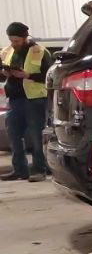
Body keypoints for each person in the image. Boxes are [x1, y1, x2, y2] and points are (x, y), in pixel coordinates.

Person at [1, 22, 51, 182]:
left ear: (25, 38)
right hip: (14, 100)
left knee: (37, 136)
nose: (14, 44)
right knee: (14, 135)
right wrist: (5, 73)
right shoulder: (7, 51)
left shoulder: (40, 51)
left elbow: (49, 77)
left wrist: (28, 75)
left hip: (35, 100)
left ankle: (39, 170)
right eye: (11, 40)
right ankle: (19, 170)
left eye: (17, 41)